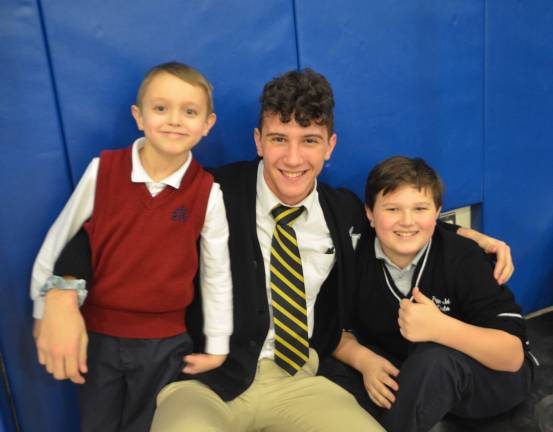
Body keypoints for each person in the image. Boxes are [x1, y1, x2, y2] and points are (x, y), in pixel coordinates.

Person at [43, 69, 514, 431]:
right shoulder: (210, 192)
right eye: (279, 139)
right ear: (257, 141)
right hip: (207, 379)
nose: (293, 158)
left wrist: (476, 239)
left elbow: (398, 226)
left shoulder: (344, 210)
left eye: (309, 141)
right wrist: (62, 295)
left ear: (329, 146)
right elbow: (108, 231)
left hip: (300, 377)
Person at [30, 62, 233, 432]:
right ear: (138, 117)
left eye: (189, 111)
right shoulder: (103, 171)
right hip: (99, 337)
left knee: (151, 424)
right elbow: (58, 241)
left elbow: (217, 273)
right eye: (161, 108)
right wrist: (44, 310)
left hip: (166, 343)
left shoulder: (208, 193)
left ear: (207, 124)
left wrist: (218, 342)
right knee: (97, 423)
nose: (174, 120)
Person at [320, 156, 535, 432]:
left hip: (489, 373)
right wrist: (365, 361)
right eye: (393, 209)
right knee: (326, 369)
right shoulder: (356, 257)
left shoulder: (463, 258)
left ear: (437, 214)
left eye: (420, 208)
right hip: (404, 367)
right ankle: (420, 411)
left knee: (435, 360)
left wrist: (440, 328)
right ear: (370, 214)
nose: (407, 221)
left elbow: (512, 356)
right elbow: (334, 330)